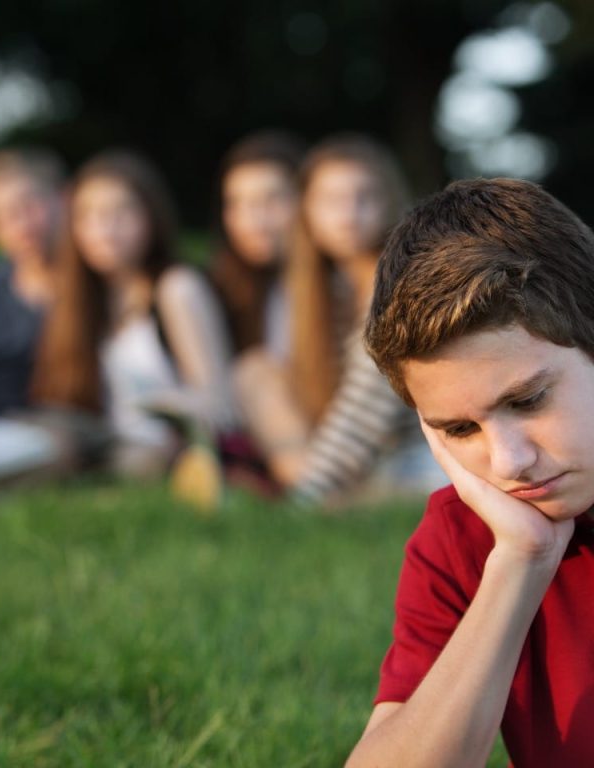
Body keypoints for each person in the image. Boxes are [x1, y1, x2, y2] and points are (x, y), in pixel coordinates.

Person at [347, 177, 594, 767]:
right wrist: (520, 564)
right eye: (460, 430)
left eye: (529, 400)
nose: (509, 462)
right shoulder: (467, 536)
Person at [234, 135, 434, 506]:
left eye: (365, 197)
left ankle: (311, 494)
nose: (348, 213)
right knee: (254, 371)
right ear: (306, 210)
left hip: (415, 458)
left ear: (390, 202)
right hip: (362, 462)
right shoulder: (328, 291)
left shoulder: (402, 283)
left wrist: (306, 498)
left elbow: (364, 413)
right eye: (331, 201)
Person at [32, 149, 233, 477]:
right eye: (88, 215)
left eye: (121, 212)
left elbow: (219, 402)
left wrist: (165, 408)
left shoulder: (177, 288)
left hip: (166, 445)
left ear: (151, 216)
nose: (105, 230)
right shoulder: (83, 298)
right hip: (103, 439)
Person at [0, 147, 65, 417]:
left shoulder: (99, 286)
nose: (22, 224)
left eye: (30, 204)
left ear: (63, 198)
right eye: (3, 216)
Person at [211, 131, 301, 357]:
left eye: (272, 199)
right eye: (237, 203)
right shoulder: (220, 291)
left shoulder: (343, 290)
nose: (254, 219)